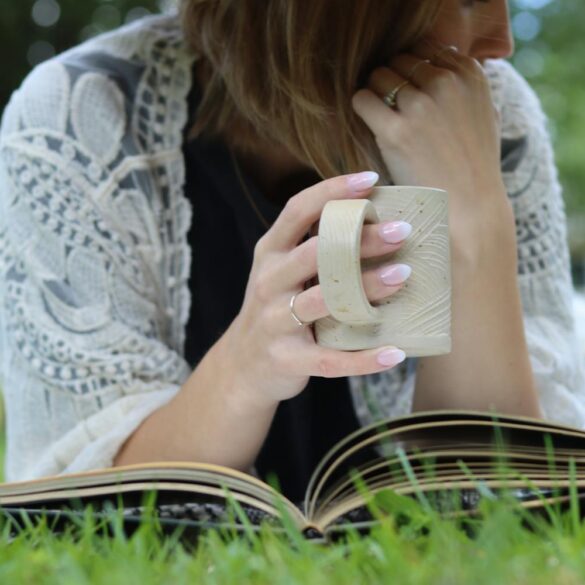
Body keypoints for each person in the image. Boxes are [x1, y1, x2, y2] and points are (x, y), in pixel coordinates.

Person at [0, 0, 583, 504]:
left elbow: (504, 495)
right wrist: (247, 368)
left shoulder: (484, 110)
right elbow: (82, 500)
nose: (501, 41)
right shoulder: (82, 117)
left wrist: (477, 223)